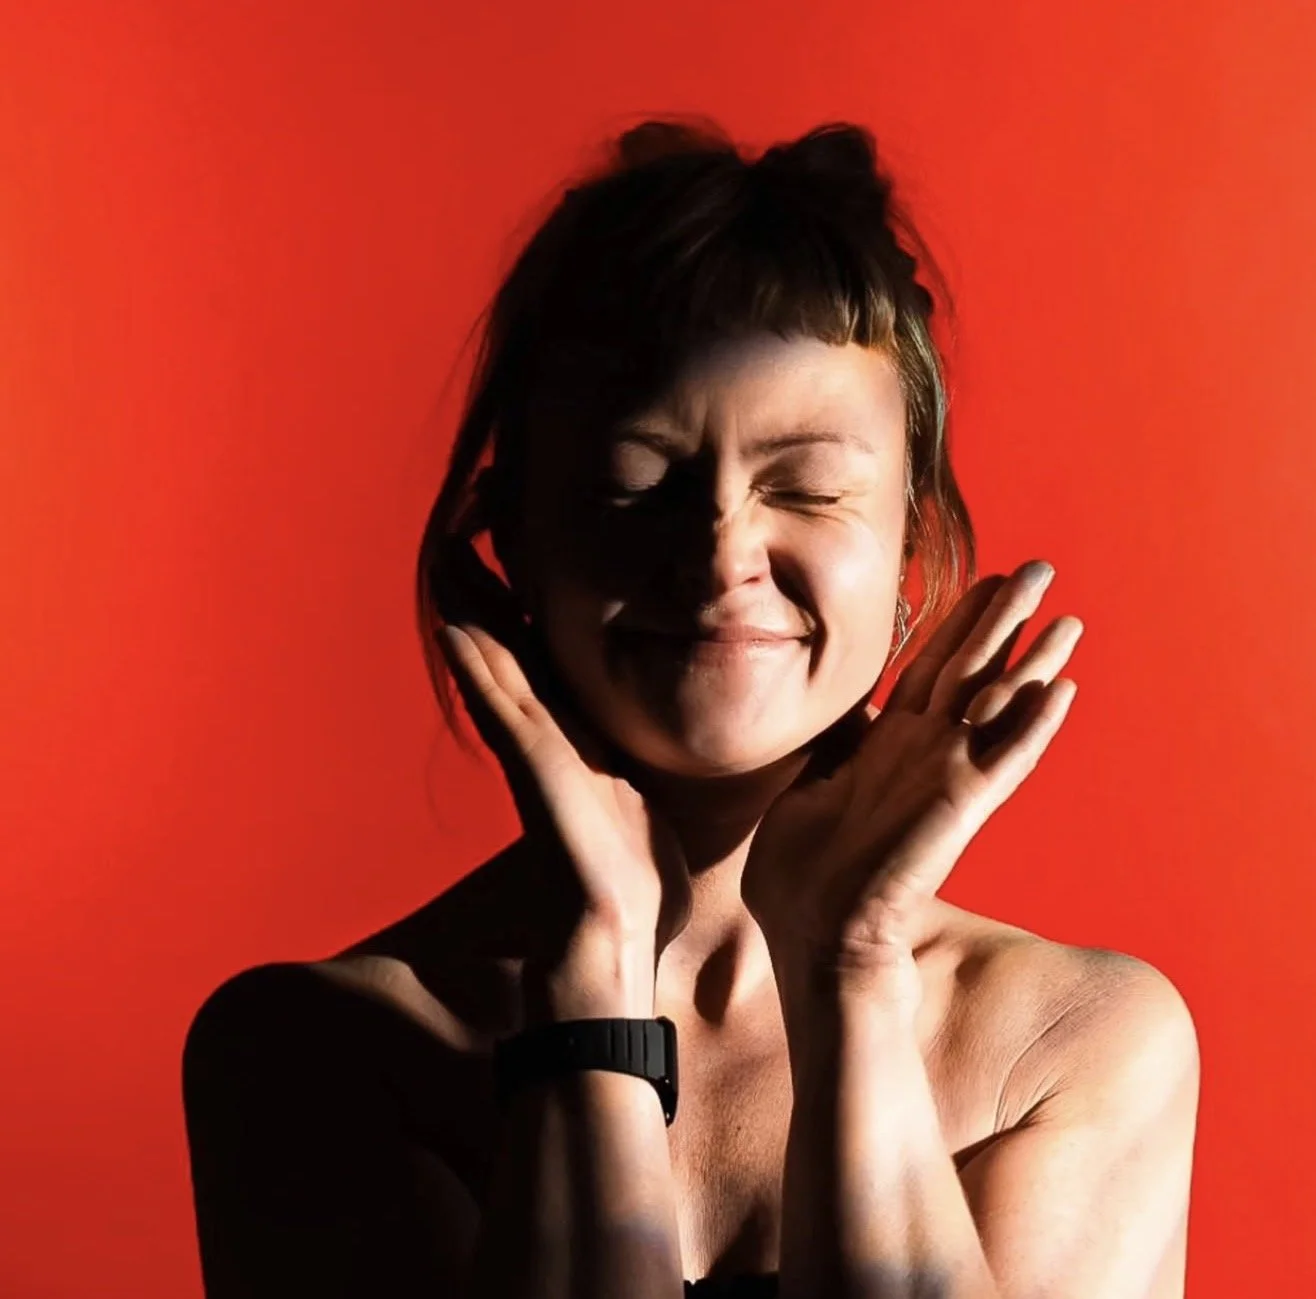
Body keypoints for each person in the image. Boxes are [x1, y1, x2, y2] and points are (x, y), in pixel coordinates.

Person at [182, 117, 1200, 1299]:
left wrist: (851, 976)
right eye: (636, 485)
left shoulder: (1072, 1046)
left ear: (912, 549)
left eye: (808, 488)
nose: (722, 552)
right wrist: (595, 973)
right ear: (513, 542)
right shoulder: (316, 1058)